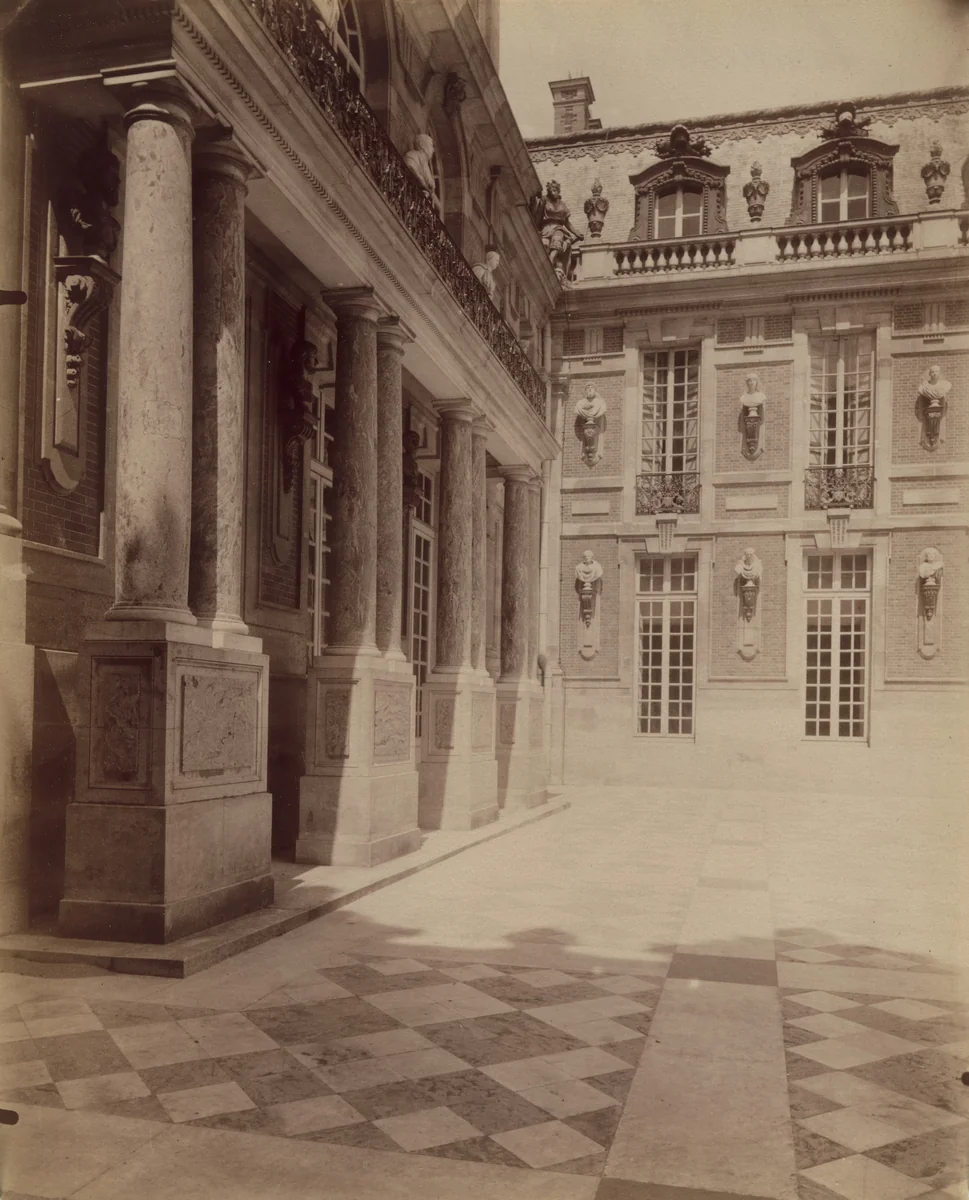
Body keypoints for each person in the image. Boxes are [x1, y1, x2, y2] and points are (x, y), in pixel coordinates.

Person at [531, 180, 583, 280]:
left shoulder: (562, 205)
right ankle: (549, 264)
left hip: (558, 227)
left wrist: (576, 232)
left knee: (557, 239)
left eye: (555, 190)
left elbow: (567, 222)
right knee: (545, 244)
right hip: (546, 227)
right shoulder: (544, 200)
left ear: (558, 191)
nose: (553, 192)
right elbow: (537, 214)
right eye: (551, 190)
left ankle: (550, 261)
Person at [574, 384, 607, 466]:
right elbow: (578, 410)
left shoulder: (600, 403)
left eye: (592, 388)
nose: (590, 390)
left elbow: (602, 409)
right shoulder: (580, 403)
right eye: (588, 388)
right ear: (585, 391)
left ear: (595, 390)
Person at [574, 550, 603, 625]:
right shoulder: (578, 568)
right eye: (585, 556)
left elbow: (598, 574)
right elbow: (578, 574)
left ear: (592, 557)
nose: (587, 558)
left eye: (588, 556)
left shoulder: (597, 567)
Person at [404, 134, 437, 198]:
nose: (433, 150)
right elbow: (410, 167)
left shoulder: (426, 167)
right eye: (431, 145)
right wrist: (424, 184)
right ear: (422, 145)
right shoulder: (411, 155)